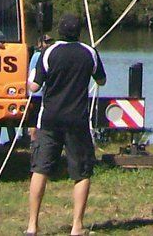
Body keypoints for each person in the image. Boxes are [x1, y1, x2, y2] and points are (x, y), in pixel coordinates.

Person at [26, 13, 105, 236]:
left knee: (40, 169)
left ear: (59, 31)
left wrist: (26, 78)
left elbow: (34, 87)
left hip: (49, 119)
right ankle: (76, 226)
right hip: (77, 121)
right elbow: (101, 80)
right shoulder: (90, 53)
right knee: (81, 173)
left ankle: (32, 225)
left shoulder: (48, 52)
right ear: (79, 31)